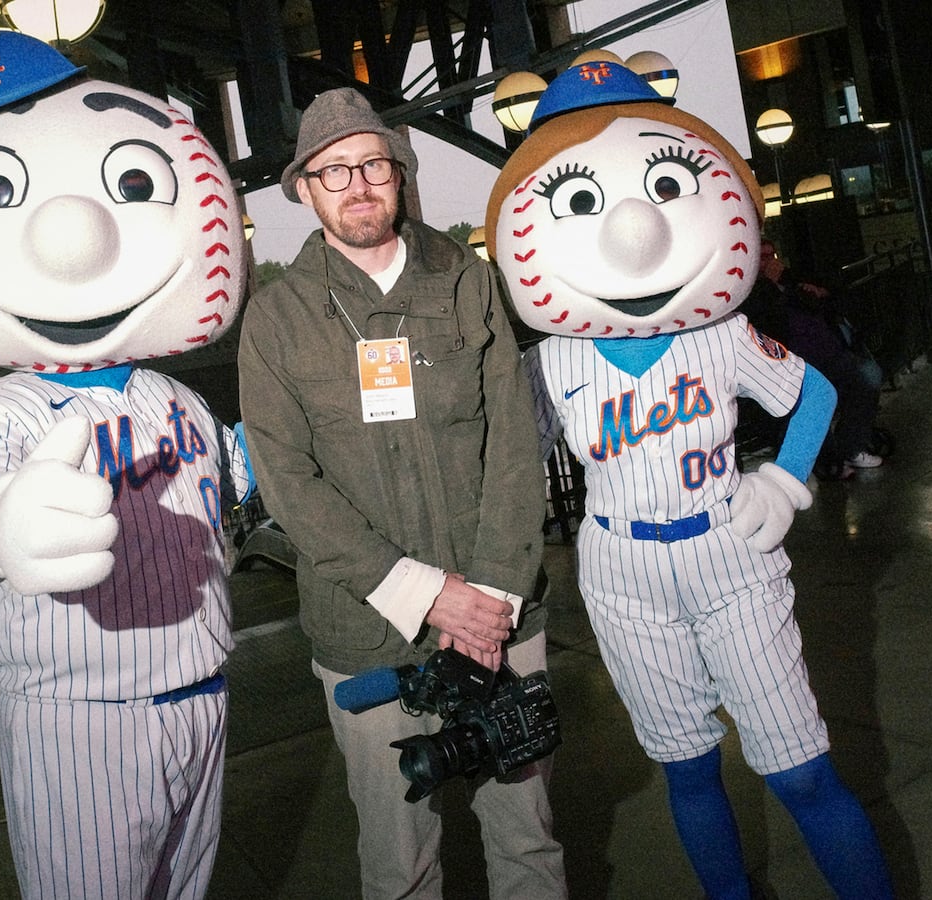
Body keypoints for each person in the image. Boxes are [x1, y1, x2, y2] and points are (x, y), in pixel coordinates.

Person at [483, 61, 892, 898]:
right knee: (688, 769)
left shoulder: (723, 332)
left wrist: (783, 479)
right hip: (622, 572)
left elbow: (812, 390)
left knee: (802, 771)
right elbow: (498, 456)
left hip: (730, 553)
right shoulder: (550, 362)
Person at [0, 31, 252, 900]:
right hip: (80, 723)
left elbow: (235, 492)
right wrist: (3, 523)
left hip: (203, 699)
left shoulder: (181, 399)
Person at [237, 87, 567, 899]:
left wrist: (485, 599)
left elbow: (514, 447)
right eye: (333, 170)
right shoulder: (276, 319)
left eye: (374, 164)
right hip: (367, 635)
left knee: (528, 841)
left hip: (500, 616)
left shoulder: (468, 281)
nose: (357, 183)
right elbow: (290, 483)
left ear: (401, 174)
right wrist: (427, 597)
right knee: (399, 863)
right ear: (305, 191)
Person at [743, 239, 885, 476]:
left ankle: (851, 445)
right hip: (793, 362)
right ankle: (827, 460)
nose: (770, 262)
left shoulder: (790, 279)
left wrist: (791, 283)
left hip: (829, 351)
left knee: (869, 377)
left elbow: (821, 296)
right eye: (763, 257)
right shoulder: (753, 291)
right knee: (816, 396)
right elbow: (766, 319)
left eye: (772, 256)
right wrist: (772, 284)